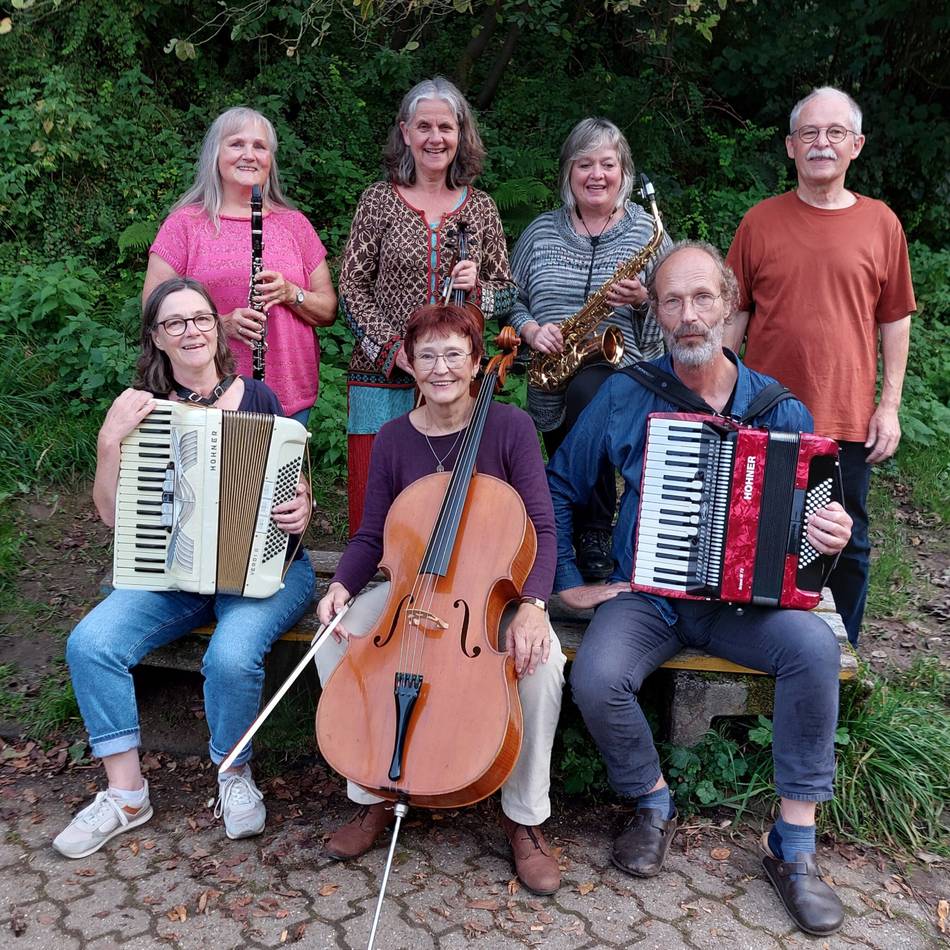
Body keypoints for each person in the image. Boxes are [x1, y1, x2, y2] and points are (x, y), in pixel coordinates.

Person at [547, 242, 853, 937]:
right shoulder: (628, 393)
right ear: (654, 314)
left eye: (703, 298)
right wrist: (571, 587)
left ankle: (794, 847)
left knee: (811, 648)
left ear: (729, 305)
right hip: (648, 599)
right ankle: (651, 801)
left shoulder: (779, 408)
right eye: (673, 301)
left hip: (741, 608)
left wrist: (826, 537)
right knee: (597, 677)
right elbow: (560, 486)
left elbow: (810, 531)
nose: (689, 316)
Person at [53, 278, 316, 858]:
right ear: (157, 338)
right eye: (175, 323)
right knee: (91, 642)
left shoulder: (260, 398)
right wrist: (108, 439)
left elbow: (296, 485)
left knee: (230, 654)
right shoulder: (139, 409)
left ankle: (233, 772)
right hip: (171, 575)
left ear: (217, 327)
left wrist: (304, 505)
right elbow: (110, 515)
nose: (192, 330)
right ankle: (125, 795)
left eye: (200, 318)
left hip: (265, 570)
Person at [315, 303, 565, 895]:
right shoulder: (394, 438)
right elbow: (373, 535)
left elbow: (545, 530)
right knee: (337, 643)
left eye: (454, 354)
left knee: (543, 665)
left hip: (487, 594)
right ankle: (373, 790)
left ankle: (523, 819)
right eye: (427, 355)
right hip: (409, 590)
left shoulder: (509, 427)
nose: (441, 367)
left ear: (479, 362)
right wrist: (341, 586)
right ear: (408, 363)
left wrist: (533, 604)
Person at [725, 86, 915, 645]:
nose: (821, 144)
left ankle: (841, 660)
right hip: (764, 413)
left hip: (845, 415)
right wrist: (722, 397)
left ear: (856, 145)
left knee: (845, 542)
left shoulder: (882, 224)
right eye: (808, 133)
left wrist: (890, 407)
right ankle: (757, 646)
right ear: (789, 146)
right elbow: (733, 315)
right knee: (756, 534)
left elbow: (895, 319)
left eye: (835, 133)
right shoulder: (759, 222)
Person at [339, 77, 516, 536]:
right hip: (381, 377)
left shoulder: (482, 209)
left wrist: (478, 289)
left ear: (461, 134)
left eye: (445, 127)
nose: (435, 138)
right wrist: (395, 351)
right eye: (424, 127)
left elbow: (509, 292)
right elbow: (352, 287)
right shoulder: (377, 201)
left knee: (449, 498)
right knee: (377, 507)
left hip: (453, 374)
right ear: (405, 132)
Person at [509, 117, 671, 582]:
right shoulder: (540, 233)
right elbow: (507, 297)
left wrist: (645, 302)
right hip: (550, 367)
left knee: (590, 391)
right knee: (573, 398)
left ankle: (595, 529)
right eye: (585, 164)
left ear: (625, 173)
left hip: (626, 369)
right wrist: (530, 328)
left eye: (608, 164)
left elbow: (677, 314)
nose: (596, 175)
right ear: (568, 172)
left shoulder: (648, 233)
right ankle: (571, 532)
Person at [143, 106, 337, 428]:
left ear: (270, 159)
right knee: (220, 478)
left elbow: (328, 309)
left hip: (290, 390)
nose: (249, 154)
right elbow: (152, 308)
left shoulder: (295, 225)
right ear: (215, 155)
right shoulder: (184, 225)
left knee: (285, 479)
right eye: (236, 144)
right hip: (208, 394)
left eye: (259, 146)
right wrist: (219, 325)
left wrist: (292, 293)